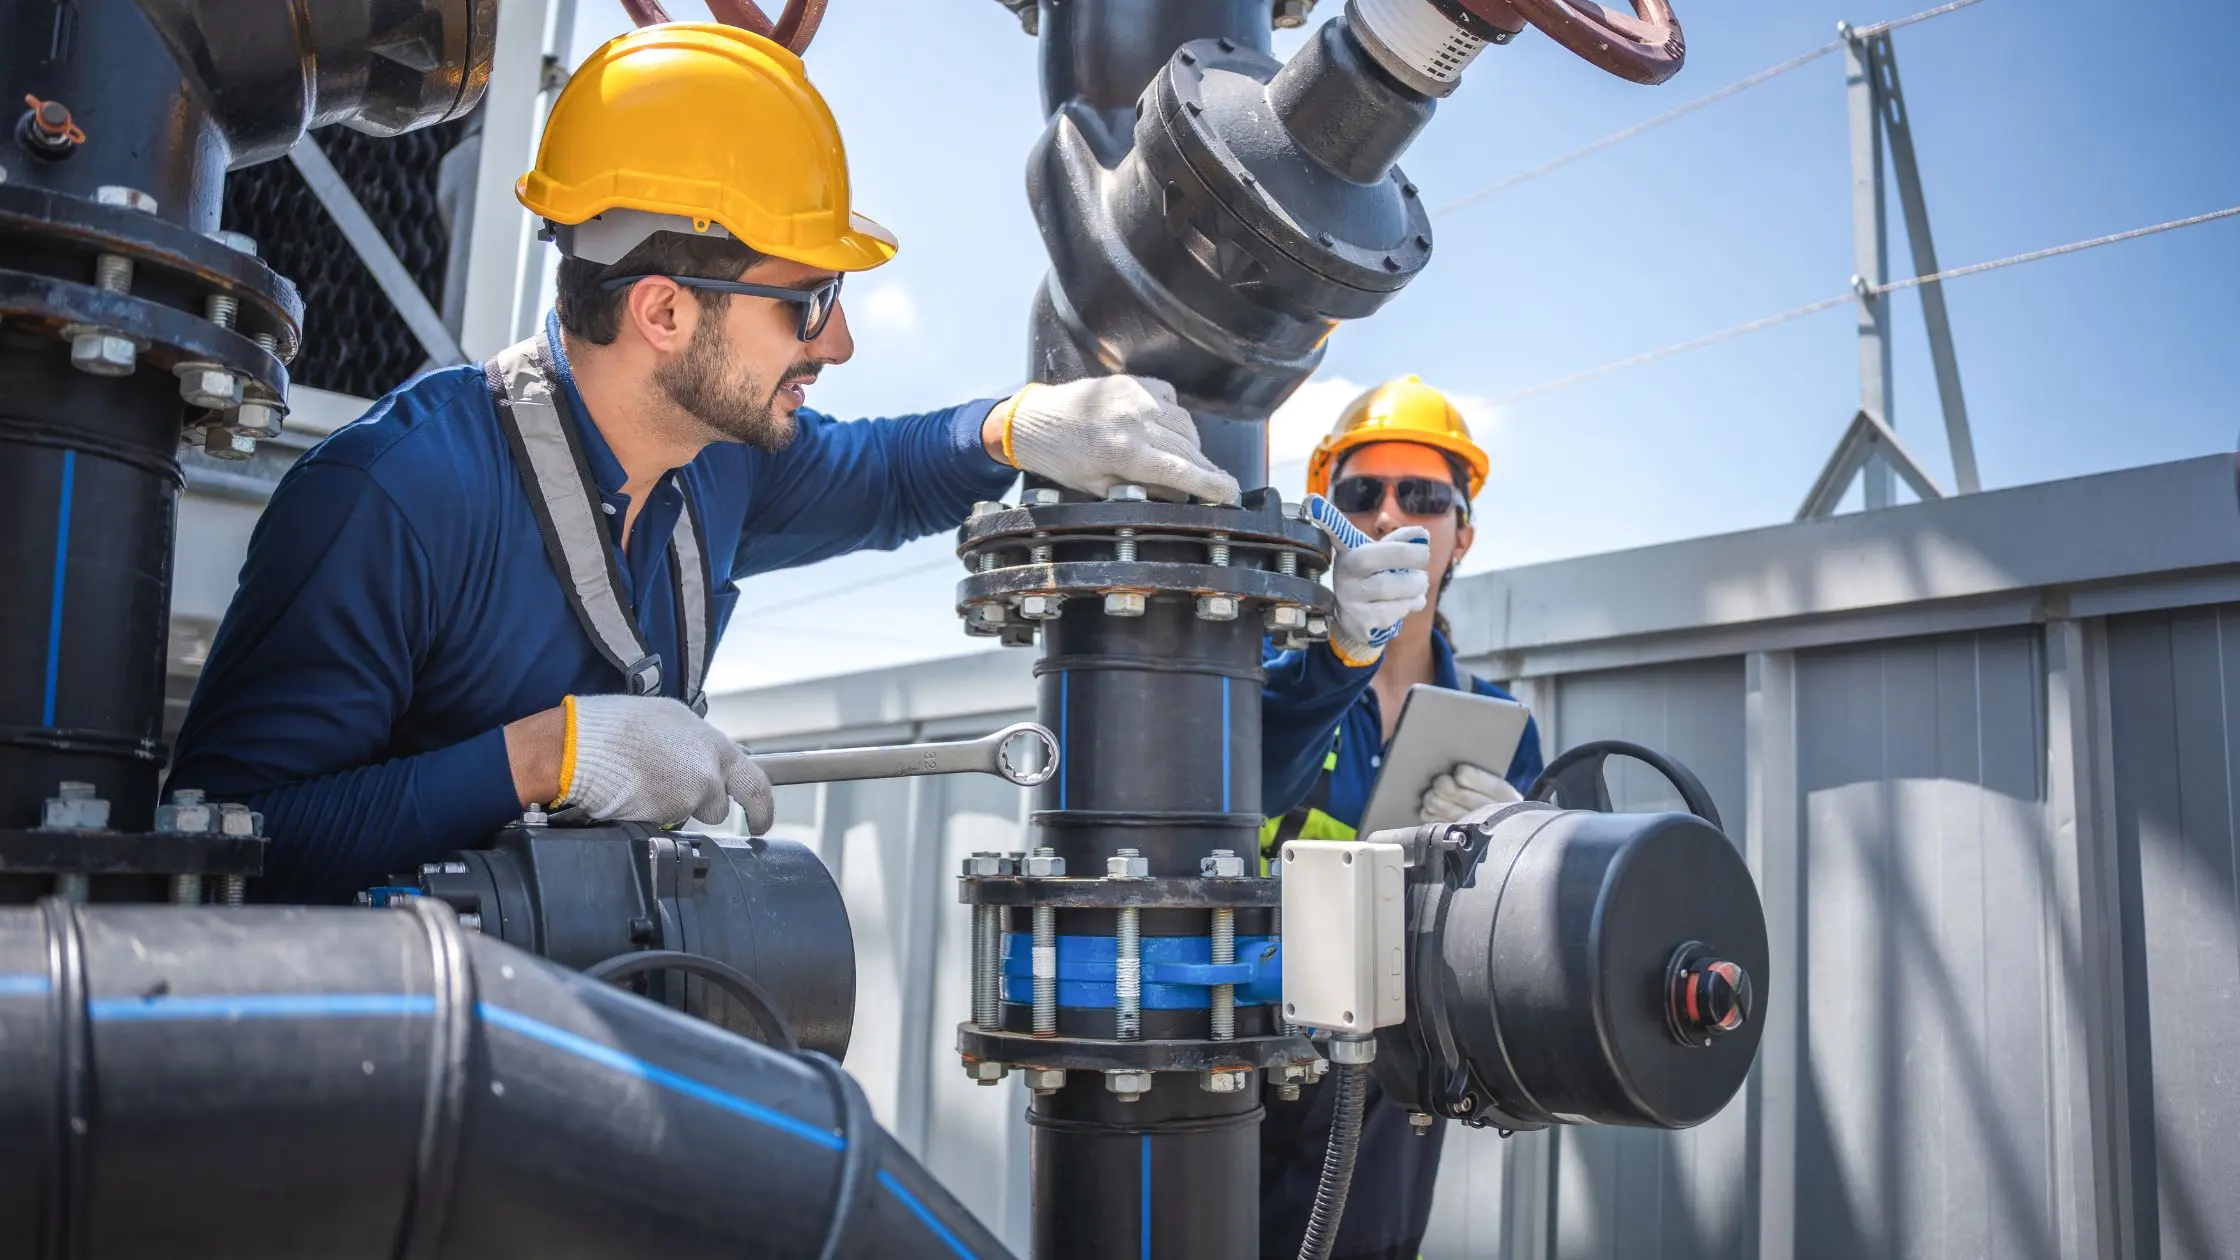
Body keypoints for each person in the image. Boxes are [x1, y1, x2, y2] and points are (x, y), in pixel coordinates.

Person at [167, 22, 1422, 905]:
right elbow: (226, 845)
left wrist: (1015, 425)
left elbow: (883, 473)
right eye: (805, 301)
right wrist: (550, 756)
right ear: (664, 311)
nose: (838, 340)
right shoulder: (397, 496)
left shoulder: (717, 466)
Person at [1259, 375, 1545, 1260]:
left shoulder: (1499, 727)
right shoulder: (1261, 677)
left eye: (1423, 496)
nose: (1389, 515)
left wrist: (1517, 846)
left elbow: (1522, 948)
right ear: (1328, 520)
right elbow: (1245, 781)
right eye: (1361, 493)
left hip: (1390, 1092)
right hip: (1245, 1050)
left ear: (1463, 535)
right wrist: (1333, 661)